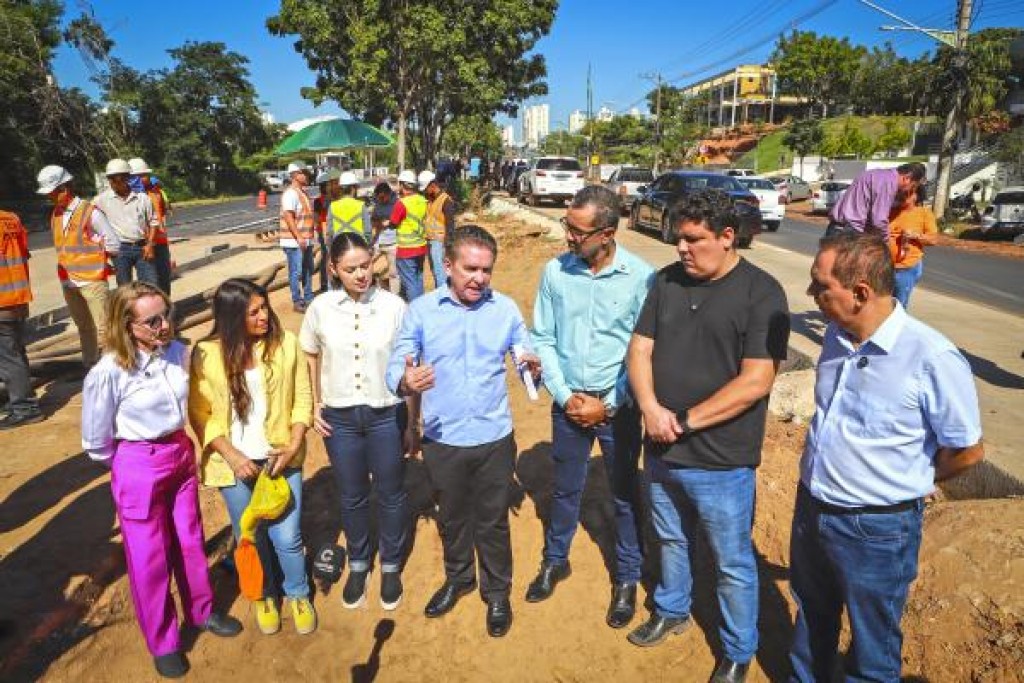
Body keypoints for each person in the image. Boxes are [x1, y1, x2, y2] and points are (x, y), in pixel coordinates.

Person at [791, 233, 984, 682]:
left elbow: (969, 450)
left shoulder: (931, 357)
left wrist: (914, 478)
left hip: (876, 530)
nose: (811, 293)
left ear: (860, 293)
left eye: (821, 285)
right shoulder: (837, 336)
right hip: (812, 508)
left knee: (872, 645)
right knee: (811, 617)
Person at [626, 189, 790, 683]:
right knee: (670, 539)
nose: (682, 248)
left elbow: (756, 381)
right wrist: (651, 409)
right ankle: (671, 608)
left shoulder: (763, 294)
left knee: (731, 561)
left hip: (722, 460)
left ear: (727, 236)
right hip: (661, 448)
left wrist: (682, 421)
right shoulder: (666, 282)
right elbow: (639, 350)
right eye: (679, 238)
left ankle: (738, 649)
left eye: (694, 239)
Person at [385, 225, 541, 638]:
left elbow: (525, 357)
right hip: (442, 438)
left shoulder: (505, 310)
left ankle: (497, 592)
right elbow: (398, 362)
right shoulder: (421, 311)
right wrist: (404, 381)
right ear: (448, 265)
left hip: (494, 437)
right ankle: (459, 578)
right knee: (452, 518)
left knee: (492, 521)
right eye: (470, 268)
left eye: (486, 270)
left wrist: (531, 368)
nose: (479, 278)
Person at [82, 282, 242, 679]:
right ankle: (164, 641)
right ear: (127, 325)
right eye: (152, 321)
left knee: (190, 540)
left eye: (166, 315)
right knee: (148, 557)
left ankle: (202, 611)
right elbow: (95, 441)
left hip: (179, 452)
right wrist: (129, 464)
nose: (164, 325)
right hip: (138, 461)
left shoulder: (176, 353)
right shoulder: (109, 372)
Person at [527, 186, 653, 628]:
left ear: (607, 233)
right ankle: (555, 559)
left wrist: (610, 404)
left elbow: (643, 349)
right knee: (565, 488)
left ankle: (628, 576)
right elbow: (543, 338)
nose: (568, 237)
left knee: (625, 494)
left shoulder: (641, 278)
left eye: (578, 232)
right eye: (568, 226)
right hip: (569, 404)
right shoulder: (555, 272)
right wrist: (566, 397)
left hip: (619, 408)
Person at [189, 278, 317, 637]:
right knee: (250, 535)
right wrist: (232, 457)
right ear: (231, 318)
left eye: (264, 307)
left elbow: (302, 399)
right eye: (253, 312)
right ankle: (264, 595)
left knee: (287, 537)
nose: (264, 316)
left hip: (281, 458)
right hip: (233, 465)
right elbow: (200, 414)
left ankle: (298, 594)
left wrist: (293, 443)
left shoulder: (286, 344)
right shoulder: (206, 354)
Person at [301, 232, 416, 611]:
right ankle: (360, 562)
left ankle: (392, 564)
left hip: (386, 414)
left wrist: (411, 423)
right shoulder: (320, 308)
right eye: (350, 269)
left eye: (365, 265)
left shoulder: (394, 307)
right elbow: (310, 354)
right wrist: (315, 404)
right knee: (351, 495)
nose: (361, 275)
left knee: (391, 493)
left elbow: (410, 366)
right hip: (341, 419)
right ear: (334, 269)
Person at [37, 164, 118, 369]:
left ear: (65, 188)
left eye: (52, 193)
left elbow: (114, 244)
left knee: (104, 327)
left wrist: (99, 257)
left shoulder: (90, 212)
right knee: (84, 327)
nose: (50, 197)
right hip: (69, 282)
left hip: (92, 281)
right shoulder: (56, 214)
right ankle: (90, 366)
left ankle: (113, 369)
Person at [0, 208, 42, 429]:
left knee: (8, 358)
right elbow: (24, 253)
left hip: (2, 302)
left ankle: (25, 407)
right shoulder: (11, 218)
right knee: (16, 353)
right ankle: (22, 398)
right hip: (17, 297)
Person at [94, 158, 159, 286]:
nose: (115, 183)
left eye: (118, 179)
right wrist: (102, 251)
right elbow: (90, 218)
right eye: (111, 179)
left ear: (127, 178)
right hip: (120, 250)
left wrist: (150, 245)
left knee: (150, 285)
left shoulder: (142, 199)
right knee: (125, 288)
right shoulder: (102, 200)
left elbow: (153, 222)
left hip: (142, 247)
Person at [827, 162, 926, 240]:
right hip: (849, 232)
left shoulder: (875, 174)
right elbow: (879, 220)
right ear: (907, 178)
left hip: (836, 227)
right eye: (913, 186)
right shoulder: (889, 183)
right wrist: (886, 241)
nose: (909, 190)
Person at [129, 158, 174, 295]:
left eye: (146, 174)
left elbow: (161, 214)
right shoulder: (130, 196)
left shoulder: (156, 191)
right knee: (150, 282)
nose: (146, 177)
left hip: (160, 242)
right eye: (142, 175)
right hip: (144, 244)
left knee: (164, 278)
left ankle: (165, 305)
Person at [889, 183, 938, 309]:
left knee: (898, 306)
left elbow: (933, 240)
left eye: (907, 193)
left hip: (905, 268)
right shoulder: (889, 210)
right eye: (900, 192)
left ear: (916, 196)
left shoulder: (924, 213)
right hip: (884, 266)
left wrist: (915, 235)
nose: (902, 195)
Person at [280, 161, 316, 311]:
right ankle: (297, 300)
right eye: (304, 173)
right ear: (295, 175)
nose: (307, 176)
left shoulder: (303, 193)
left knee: (307, 269)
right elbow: (289, 217)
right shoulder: (290, 194)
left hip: (305, 239)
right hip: (294, 241)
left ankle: (308, 297)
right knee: (296, 272)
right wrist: (299, 237)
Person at [389, 170, 428, 301]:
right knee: (418, 278)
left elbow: (393, 223)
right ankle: (421, 306)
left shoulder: (402, 203)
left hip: (406, 249)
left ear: (402, 185)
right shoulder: (422, 200)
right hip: (421, 246)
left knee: (410, 282)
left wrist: (386, 223)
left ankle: (414, 308)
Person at [419, 170, 456, 289]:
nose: (425, 191)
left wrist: (448, 245)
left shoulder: (446, 201)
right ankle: (440, 292)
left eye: (426, 188)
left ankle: (443, 295)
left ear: (432, 185)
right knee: (435, 271)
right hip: (430, 241)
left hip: (440, 242)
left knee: (440, 272)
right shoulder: (430, 199)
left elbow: (450, 225)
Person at [370, 181, 399, 294]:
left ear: (388, 194)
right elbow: (373, 220)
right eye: (378, 197)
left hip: (393, 243)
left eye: (382, 197)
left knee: (393, 273)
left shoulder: (397, 204)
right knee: (366, 263)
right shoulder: (377, 204)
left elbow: (398, 221)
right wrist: (378, 223)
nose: (380, 200)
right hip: (378, 241)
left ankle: (395, 295)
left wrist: (388, 222)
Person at [313, 169, 339, 293]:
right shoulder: (319, 201)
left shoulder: (332, 199)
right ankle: (325, 284)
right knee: (326, 258)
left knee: (329, 258)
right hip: (325, 233)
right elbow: (317, 218)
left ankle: (329, 283)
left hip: (330, 231)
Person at [329, 171, 371, 241]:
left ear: (341, 189)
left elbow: (330, 232)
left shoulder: (332, 206)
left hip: (339, 243)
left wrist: (332, 245)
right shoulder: (361, 205)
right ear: (353, 188)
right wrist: (367, 243)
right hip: (357, 243)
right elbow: (367, 231)